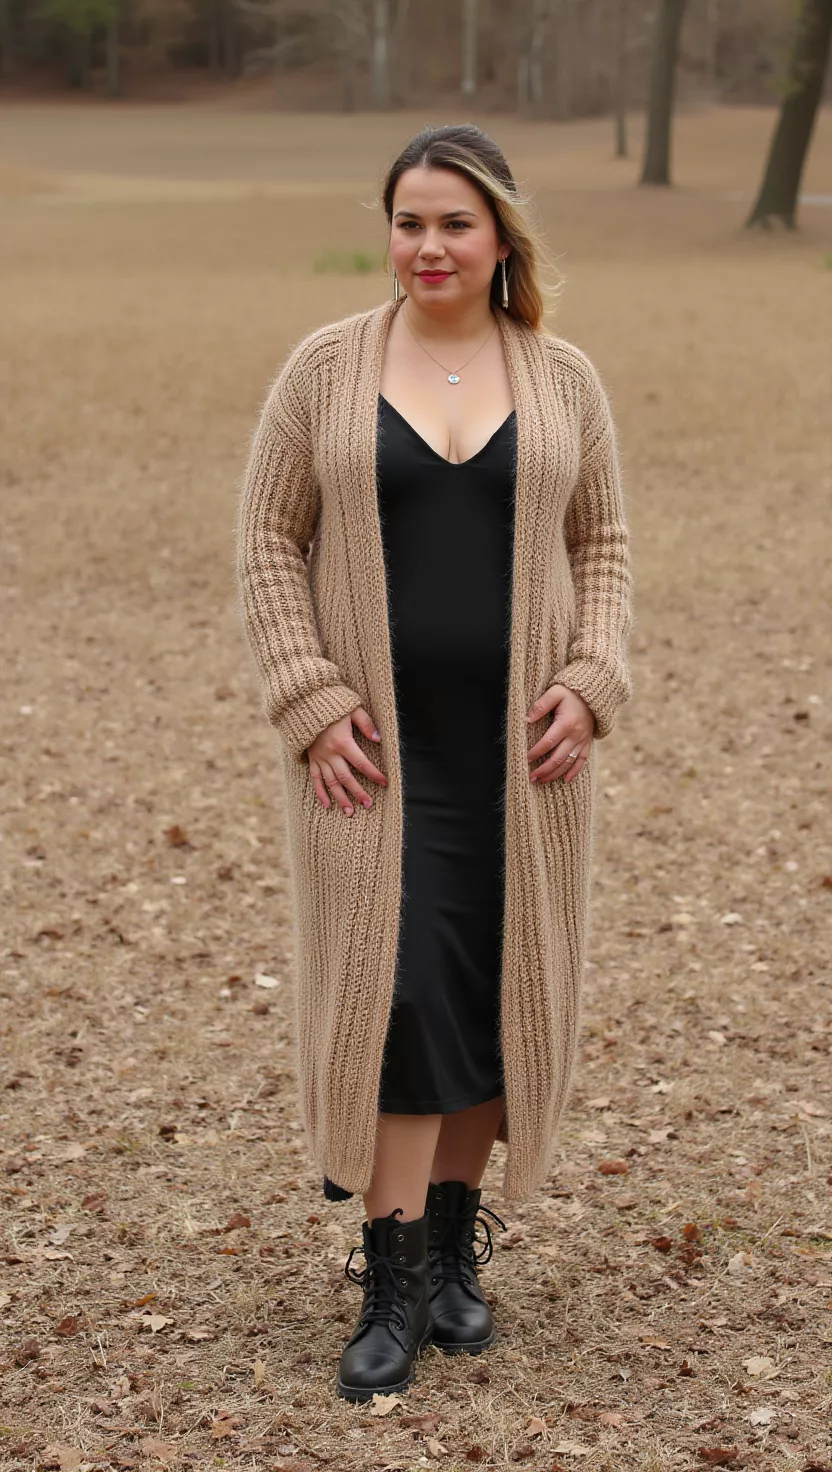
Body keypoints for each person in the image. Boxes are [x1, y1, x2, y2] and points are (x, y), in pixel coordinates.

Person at [236, 123, 633, 1404]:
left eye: (453, 223)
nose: (427, 245)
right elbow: (264, 544)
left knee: (487, 987)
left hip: (525, 758)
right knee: (400, 989)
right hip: (377, 760)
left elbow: (608, 542)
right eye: (408, 220)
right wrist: (309, 695)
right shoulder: (325, 370)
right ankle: (391, 1270)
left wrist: (591, 679)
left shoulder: (562, 376)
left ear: (499, 234)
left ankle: (458, 1245)